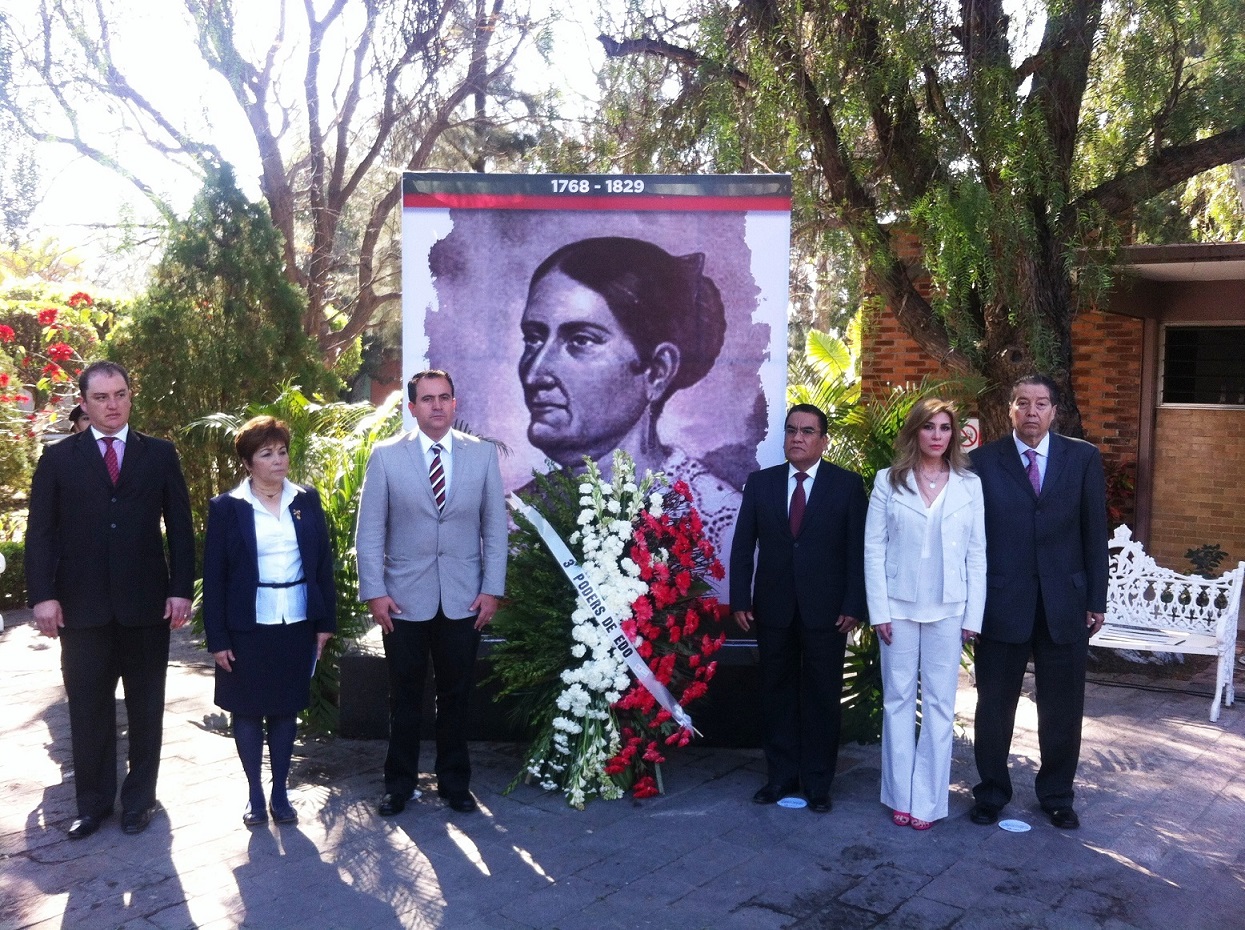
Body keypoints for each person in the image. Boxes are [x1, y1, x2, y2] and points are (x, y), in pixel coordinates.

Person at [25, 360, 194, 839]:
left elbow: (180, 528)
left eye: (119, 394)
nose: (112, 404)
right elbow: (40, 533)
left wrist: (181, 588)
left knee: (146, 709)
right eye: (100, 397)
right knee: (88, 709)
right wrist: (42, 596)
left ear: (130, 396)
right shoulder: (57, 460)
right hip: (82, 611)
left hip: (146, 608)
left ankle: (139, 801)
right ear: (84, 402)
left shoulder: (159, 455)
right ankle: (93, 804)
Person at [518, 236, 740, 564]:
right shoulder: (516, 517)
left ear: (657, 371)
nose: (534, 373)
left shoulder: (720, 523)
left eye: (580, 340)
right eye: (533, 339)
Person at [356, 369, 507, 816]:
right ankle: (398, 785)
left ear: (455, 404)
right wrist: (375, 592)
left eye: (444, 398)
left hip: (464, 597)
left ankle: (455, 784)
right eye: (427, 399)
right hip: (402, 599)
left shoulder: (481, 457)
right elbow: (370, 533)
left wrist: (492, 589)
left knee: (457, 695)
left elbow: (494, 530)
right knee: (403, 699)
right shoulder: (386, 457)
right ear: (412, 406)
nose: (437, 406)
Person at [968, 374, 1108, 830]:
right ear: (1009, 409)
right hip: (1002, 601)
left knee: (1063, 709)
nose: (1032, 412)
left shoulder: (1082, 458)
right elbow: (970, 539)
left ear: (1054, 411)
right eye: (1022, 403)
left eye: (1041, 403)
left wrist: (1096, 598)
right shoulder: (981, 462)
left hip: (1064, 603)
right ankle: (990, 792)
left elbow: (1094, 532)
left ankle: (1057, 795)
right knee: (994, 704)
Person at [729, 403, 868, 813]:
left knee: (823, 696)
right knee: (776, 694)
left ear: (824, 441)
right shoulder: (761, 484)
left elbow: (858, 551)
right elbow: (742, 545)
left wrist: (854, 603)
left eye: (808, 431)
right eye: (792, 430)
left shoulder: (846, 485)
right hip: (772, 608)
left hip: (828, 611)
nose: (797, 438)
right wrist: (740, 597)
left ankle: (818, 783)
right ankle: (779, 778)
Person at [202, 416, 336, 827]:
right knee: (246, 711)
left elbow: (323, 566)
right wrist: (218, 638)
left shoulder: (306, 500)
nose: (278, 461)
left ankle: (280, 792)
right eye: (267, 454)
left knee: (284, 709)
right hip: (246, 626)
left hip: (296, 620)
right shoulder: (227, 508)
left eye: (282, 451)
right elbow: (215, 576)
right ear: (247, 462)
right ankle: (255, 795)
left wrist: (325, 621)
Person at [864, 398, 986, 830]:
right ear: (915, 432)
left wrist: (974, 616)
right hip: (897, 608)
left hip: (950, 610)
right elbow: (873, 549)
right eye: (929, 427)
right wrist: (878, 610)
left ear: (954, 435)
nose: (937, 435)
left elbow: (977, 554)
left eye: (945, 428)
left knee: (939, 704)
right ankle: (900, 795)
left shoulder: (969, 485)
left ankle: (929, 802)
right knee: (897, 701)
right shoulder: (888, 482)